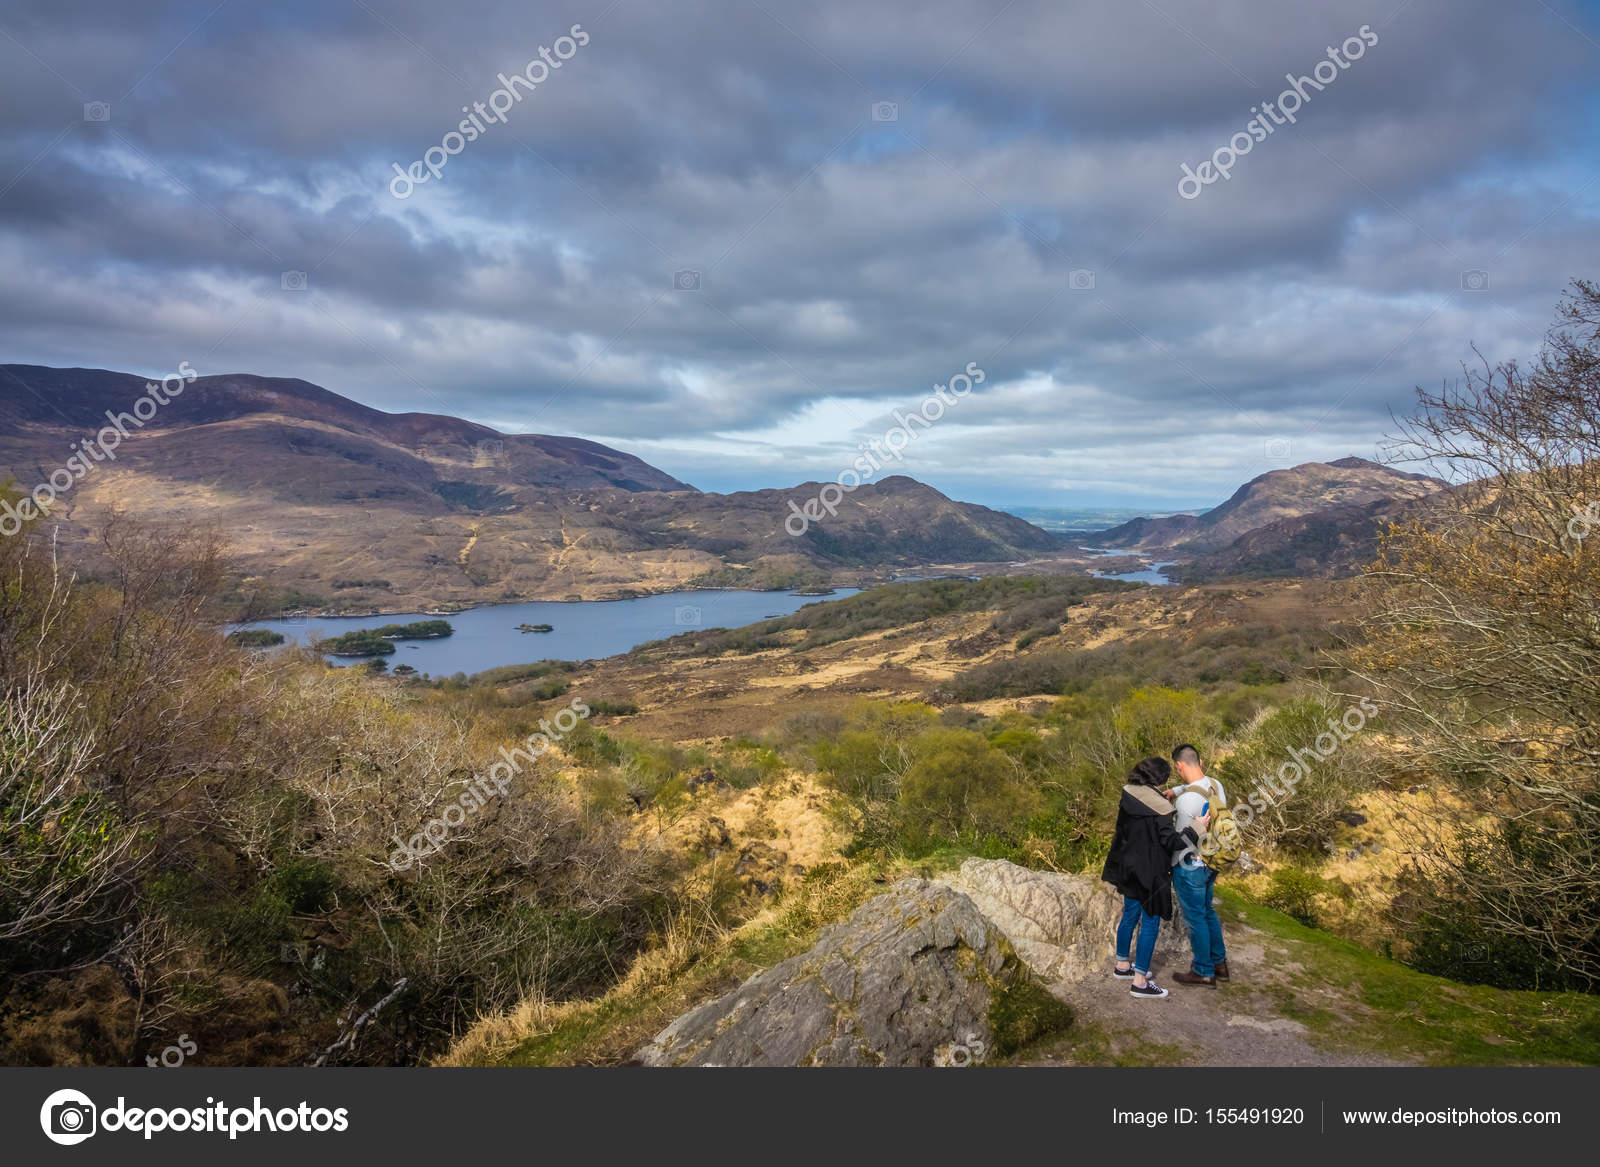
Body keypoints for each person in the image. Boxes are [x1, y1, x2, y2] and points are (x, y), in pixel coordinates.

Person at [1101, 756, 1208, 999]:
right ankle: (1140, 982)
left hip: (1128, 868)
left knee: (1129, 915)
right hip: (1151, 873)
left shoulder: (1128, 794)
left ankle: (1122, 966)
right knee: (1150, 922)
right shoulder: (1161, 809)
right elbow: (1173, 843)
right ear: (1159, 779)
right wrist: (1197, 827)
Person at [1167, 743, 1230, 987]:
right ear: (1200, 762)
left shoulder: (1185, 802)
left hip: (1191, 865)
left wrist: (1171, 866)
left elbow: (1181, 841)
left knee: (1195, 918)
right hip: (1212, 860)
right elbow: (1192, 785)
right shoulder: (1215, 785)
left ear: (1179, 766)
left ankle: (1203, 970)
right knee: (1208, 912)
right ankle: (1219, 964)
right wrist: (1175, 789)